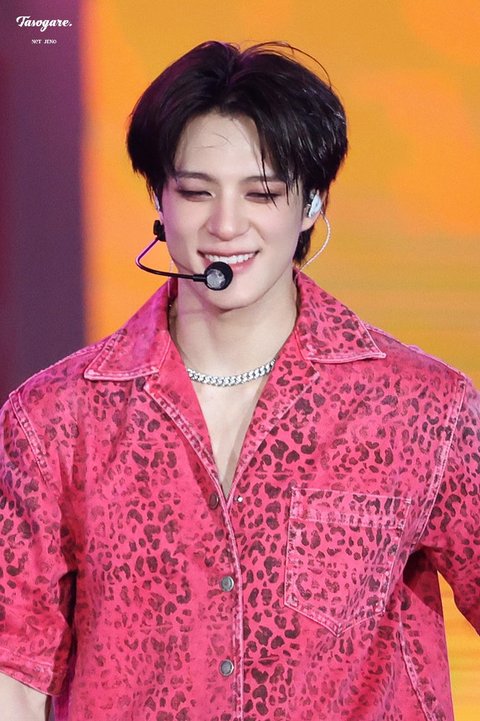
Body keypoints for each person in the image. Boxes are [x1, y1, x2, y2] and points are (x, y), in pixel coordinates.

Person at [0, 40, 478, 721]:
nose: (225, 226)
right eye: (197, 192)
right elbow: (13, 670)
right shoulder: (55, 418)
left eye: (262, 193)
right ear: (158, 198)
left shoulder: (422, 409)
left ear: (311, 204)